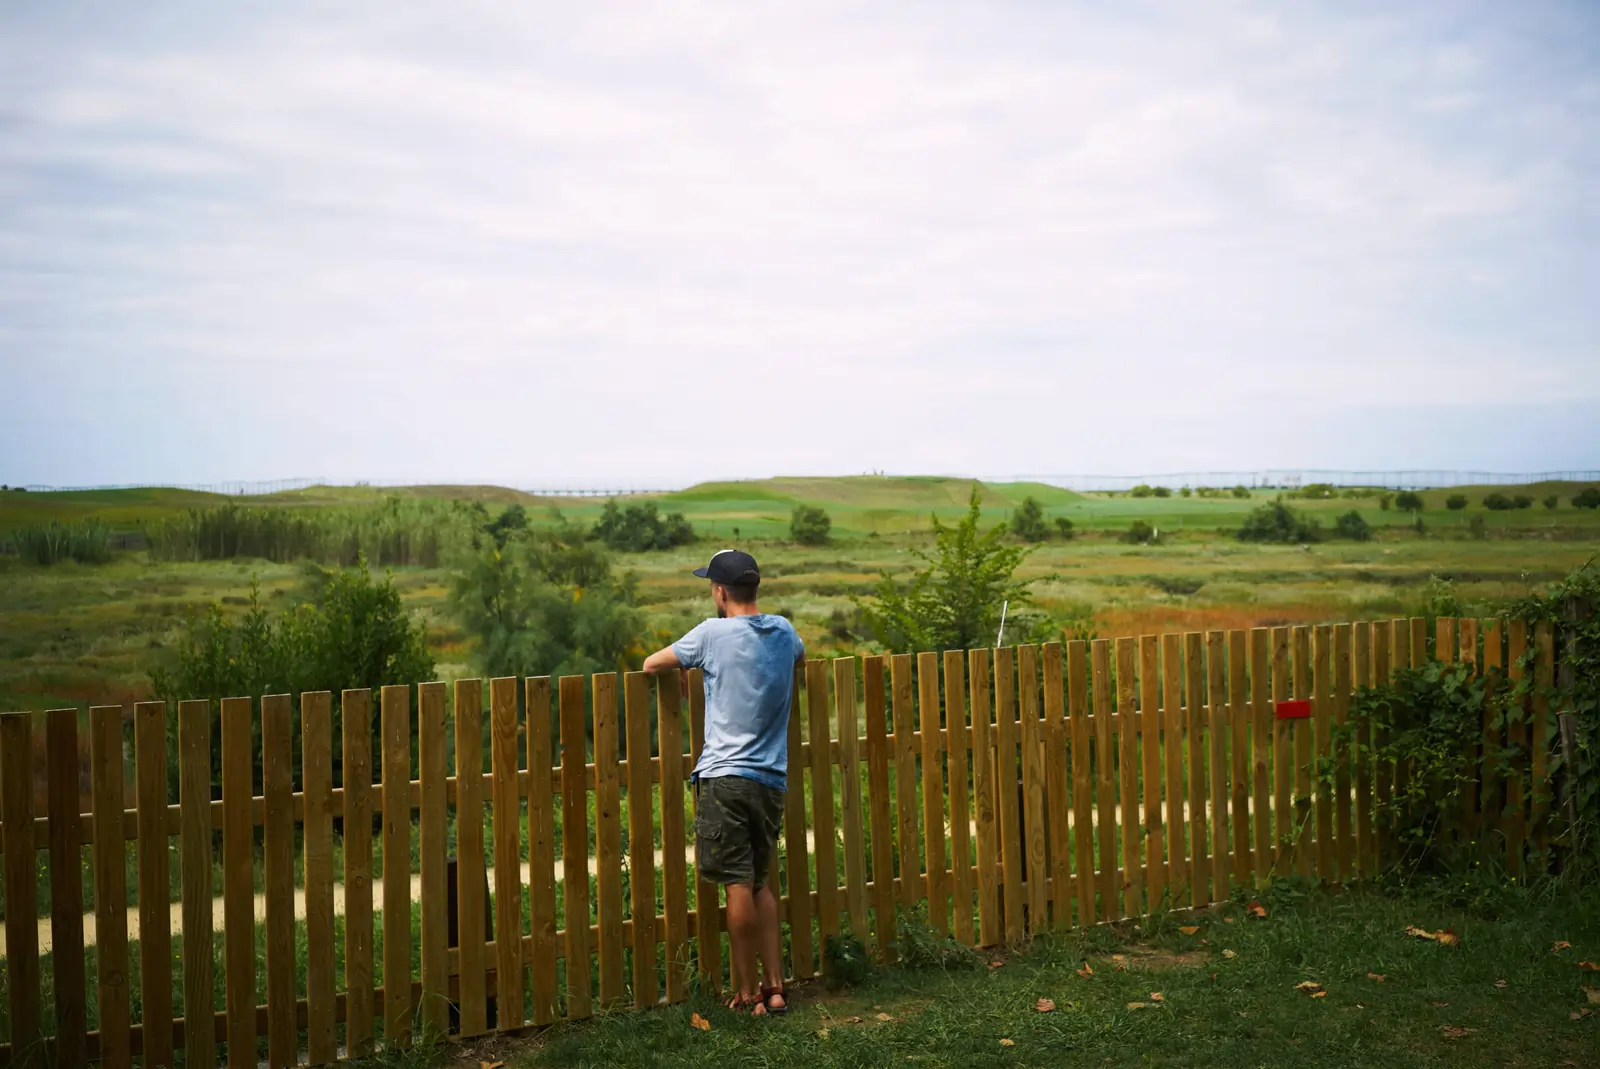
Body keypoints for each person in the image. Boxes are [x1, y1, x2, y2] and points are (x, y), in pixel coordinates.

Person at [643, 549, 804, 1016]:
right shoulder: (784, 630)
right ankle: (776, 988)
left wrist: (689, 673)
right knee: (761, 883)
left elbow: (654, 664)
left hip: (725, 778)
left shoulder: (711, 635)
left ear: (719, 591)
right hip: (770, 778)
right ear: (755, 588)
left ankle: (749, 993)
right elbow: (801, 660)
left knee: (736, 883)